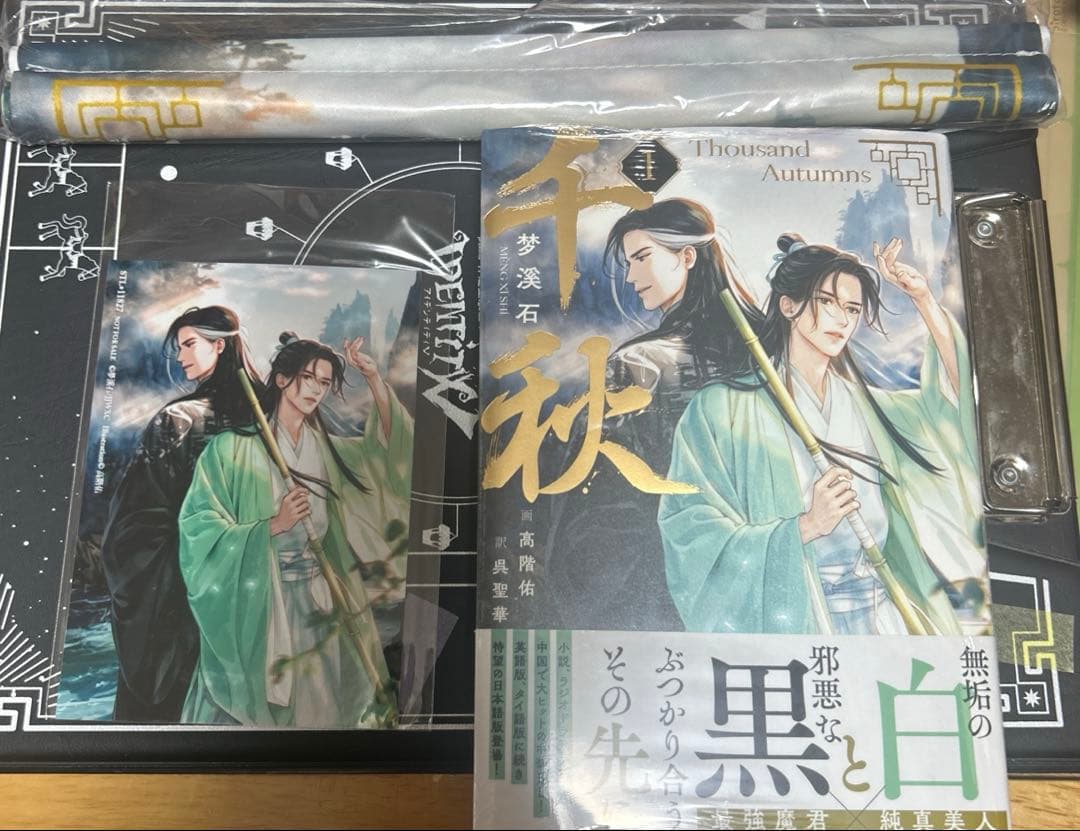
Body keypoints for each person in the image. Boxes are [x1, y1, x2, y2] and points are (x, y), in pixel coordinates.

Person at [659, 234, 986, 636]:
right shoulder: (722, 408)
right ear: (788, 306)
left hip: (883, 615)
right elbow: (690, 529)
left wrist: (924, 301)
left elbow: (951, 411)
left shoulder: (872, 409)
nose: (841, 319)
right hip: (798, 618)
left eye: (852, 309)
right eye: (826, 302)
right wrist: (805, 527)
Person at [178, 332, 413, 727]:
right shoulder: (230, 449)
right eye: (308, 378)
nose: (316, 390)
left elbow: (385, 456)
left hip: (323, 601)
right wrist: (271, 526)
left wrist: (373, 378)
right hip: (262, 603)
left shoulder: (327, 450)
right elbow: (199, 529)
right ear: (282, 379)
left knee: (324, 711)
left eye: (324, 383)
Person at [545, 199, 752, 630]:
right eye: (629, 263)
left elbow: (593, 508)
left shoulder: (638, 366)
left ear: (687, 256)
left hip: (661, 585)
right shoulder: (761, 354)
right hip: (753, 573)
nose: (631, 276)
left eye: (642, 258)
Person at [101, 305, 263, 722]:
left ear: (220, 346)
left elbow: (132, 529)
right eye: (179, 348)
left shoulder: (179, 420)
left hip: (186, 593)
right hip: (255, 587)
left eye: (190, 344)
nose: (181, 357)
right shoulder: (269, 414)